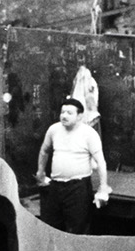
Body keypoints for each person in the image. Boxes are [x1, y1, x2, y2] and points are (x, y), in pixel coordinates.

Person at [35, 97, 111, 234]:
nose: (64, 116)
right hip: (55, 186)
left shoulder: (89, 134)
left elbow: (101, 162)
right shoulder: (54, 129)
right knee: (51, 225)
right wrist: (40, 171)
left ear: (80, 116)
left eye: (69, 113)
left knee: (78, 227)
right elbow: (44, 150)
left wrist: (103, 186)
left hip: (78, 188)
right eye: (62, 112)